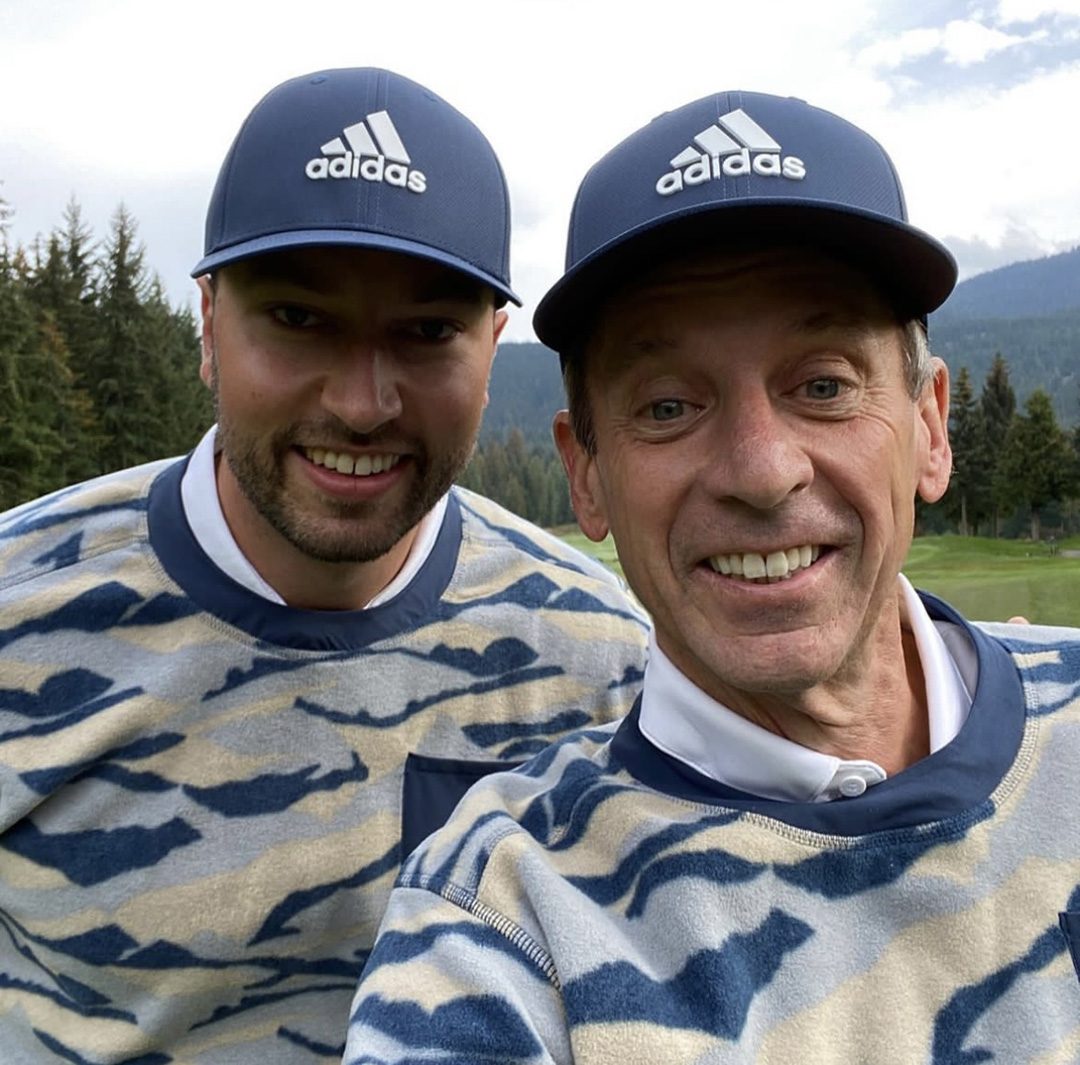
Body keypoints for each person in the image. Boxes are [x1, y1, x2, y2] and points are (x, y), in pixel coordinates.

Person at [344, 90, 1080, 1062]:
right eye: (667, 406)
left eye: (822, 386)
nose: (761, 470)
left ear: (931, 427)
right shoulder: (504, 907)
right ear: (588, 474)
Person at [0, 68, 648, 1062]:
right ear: (209, 326)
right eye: (298, 318)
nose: (359, 402)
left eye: (428, 331)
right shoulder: (21, 609)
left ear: (491, 349)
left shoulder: (602, 664)